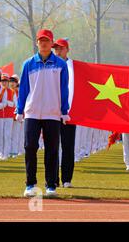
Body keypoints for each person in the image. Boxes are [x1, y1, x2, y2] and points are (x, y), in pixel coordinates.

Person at [17, 29, 70, 197]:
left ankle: (51, 185)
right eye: (41, 40)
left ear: (51, 42)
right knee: (30, 147)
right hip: (32, 112)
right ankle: (30, 184)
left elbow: (64, 89)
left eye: (46, 40)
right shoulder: (28, 64)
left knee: (52, 149)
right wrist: (19, 110)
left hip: (52, 113)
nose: (44, 43)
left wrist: (64, 110)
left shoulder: (61, 65)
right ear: (37, 43)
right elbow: (23, 89)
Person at [53, 38, 77, 187]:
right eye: (56, 48)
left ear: (67, 49)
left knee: (68, 146)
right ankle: (53, 178)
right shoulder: (50, 65)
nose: (57, 51)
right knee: (53, 146)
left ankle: (66, 179)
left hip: (69, 111)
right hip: (53, 111)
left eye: (60, 48)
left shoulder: (74, 66)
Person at [9, 74, 22, 157]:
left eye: (14, 82)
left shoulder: (19, 92)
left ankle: (15, 151)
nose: (12, 83)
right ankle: (10, 151)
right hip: (9, 116)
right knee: (9, 134)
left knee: (16, 134)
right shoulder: (8, 91)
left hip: (16, 116)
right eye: (11, 81)